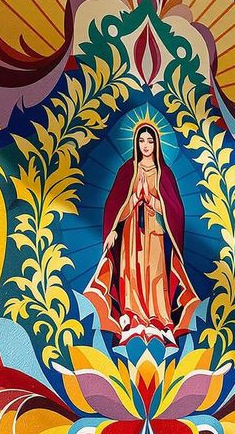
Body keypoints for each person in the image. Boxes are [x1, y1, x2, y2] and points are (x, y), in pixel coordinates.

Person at [83, 122, 199, 346]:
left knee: (155, 274)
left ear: (157, 143)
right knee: (131, 272)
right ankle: (132, 315)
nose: (146, 145)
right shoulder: (128, 170)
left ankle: (160, 319)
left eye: (150, 141)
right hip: (130, 232)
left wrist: (153, 200)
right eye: (141, 141)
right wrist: (132, 204)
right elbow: (114, 204)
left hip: (155, 232)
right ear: (136, 143)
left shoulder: (164, 173)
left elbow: (176, 210)